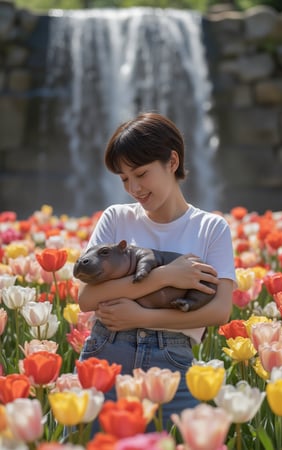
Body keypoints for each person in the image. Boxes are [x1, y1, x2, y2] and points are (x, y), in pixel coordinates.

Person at [78, 111, 236, 432]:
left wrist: (142, 318)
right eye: (124, 179)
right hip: (107, 354)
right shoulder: (116, 218)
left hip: (172, 364)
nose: (133, 187)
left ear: (172, 161)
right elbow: (87, 297)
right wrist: (165, 277)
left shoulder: (211, 228)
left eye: (141, 173)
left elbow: (220, 311)